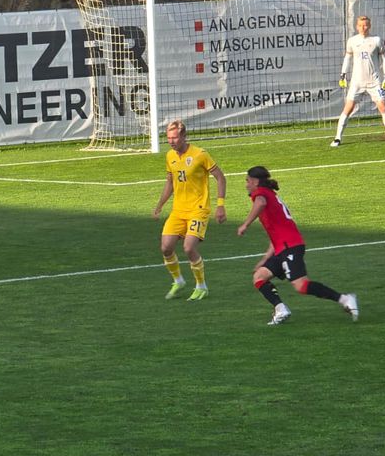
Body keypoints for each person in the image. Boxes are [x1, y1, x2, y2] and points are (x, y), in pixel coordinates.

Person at [236, 166, 358, 326]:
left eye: (247, 181)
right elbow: (277, 234)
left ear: (255, 181)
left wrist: (245, 224)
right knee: (259, 276)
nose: (246, 185)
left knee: (301, 286)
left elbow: (260, 202)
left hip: (290, 247)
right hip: (282, 247)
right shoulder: (270, 195)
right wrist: (265, 258)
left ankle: (345, 299)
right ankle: (280, 309)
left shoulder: (262, 194)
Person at [152, 119, 227, 301]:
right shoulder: (170, 156)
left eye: (175, 137)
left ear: (184, 136)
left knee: (188, 247)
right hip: (178, 210)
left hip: (198, 209)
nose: (171, 141)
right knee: (166, 247)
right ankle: (178, 281)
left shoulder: (200, 154)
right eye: (169, 138)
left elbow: (220, 177)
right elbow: (170, 182)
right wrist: (160, 205)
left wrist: (220, 205)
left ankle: (201, 286)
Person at [332, 15, 385, 147]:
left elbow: (384, 58)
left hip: (374, 81)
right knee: (348, 108)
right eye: (361, 25)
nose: (363, 28)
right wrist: (342, 75)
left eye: (366, 25)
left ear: (370, 26)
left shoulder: (376, 40)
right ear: (357, 26)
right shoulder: (352, 41)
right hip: (357, 82)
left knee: (383, 107)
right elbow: (347, 58)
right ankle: (337, 138)